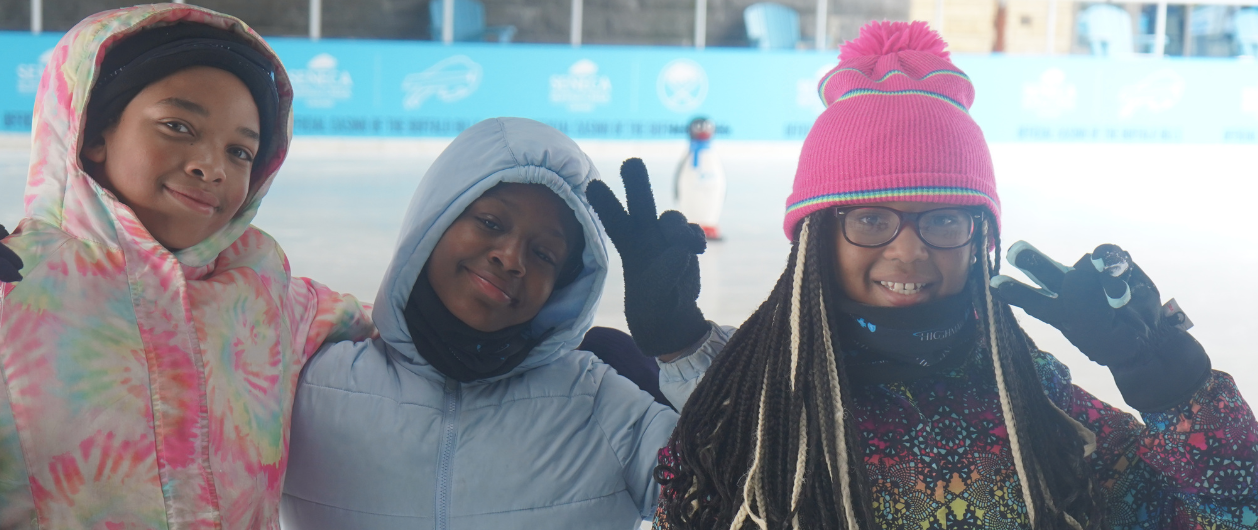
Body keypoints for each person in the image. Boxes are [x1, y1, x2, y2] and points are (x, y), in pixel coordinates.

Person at [589, 21, 1257, 530]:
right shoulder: (746, 421)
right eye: (872, 219)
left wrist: (1183, 395)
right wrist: (680, 344)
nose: (908, 252)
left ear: (980, 241)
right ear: (818, 237)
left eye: (942, 219)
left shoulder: (1040, 404)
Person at [0, 5, 373, 528]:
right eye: (179, 126)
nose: (211, 166)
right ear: (92, 134)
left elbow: (400, 328)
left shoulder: (271, 295)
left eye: (240, 152)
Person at [279, 117, 677, 529]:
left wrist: (686, 352)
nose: (510, 258)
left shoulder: (603, 405)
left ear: (563, 285)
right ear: (435, 220)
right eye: (490, 223)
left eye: (544, 254)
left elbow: (733, 501)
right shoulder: (313, 385)